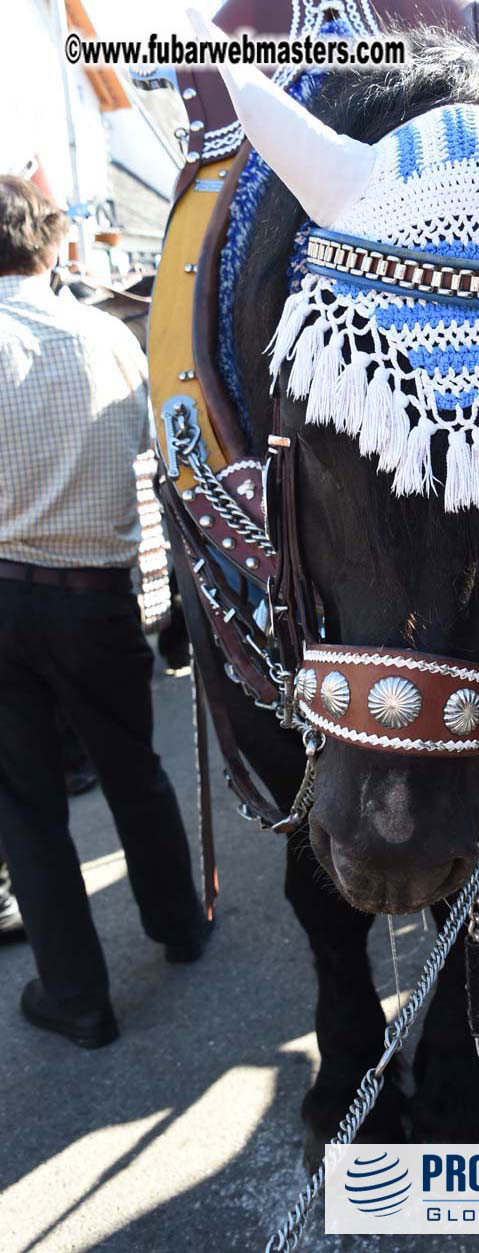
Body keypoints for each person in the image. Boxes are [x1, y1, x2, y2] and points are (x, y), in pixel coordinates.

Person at [0, 176, 209, 1049]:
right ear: (50, 243)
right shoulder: (104, 337)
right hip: (95, 596)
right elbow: (151, 460)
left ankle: (79, 998)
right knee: (133, 767)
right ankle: (180, 924)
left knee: (27, 807)